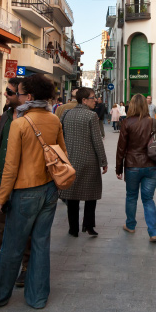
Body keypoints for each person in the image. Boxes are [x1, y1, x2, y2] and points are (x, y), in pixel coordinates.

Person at [0, 74, 63, 309]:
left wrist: (1, 198)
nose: (17, 96)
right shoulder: (54, 120)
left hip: (25, 191)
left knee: (12, 246)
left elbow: (11, 165)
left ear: (29, 97)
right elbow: (61, 154)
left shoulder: (20, 123)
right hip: (49, 190)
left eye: (20, 93)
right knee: (41, 245)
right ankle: (37, 297)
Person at [0, 78, 29, 286]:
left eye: (10, 93)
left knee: (24, 225)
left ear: (24, 96)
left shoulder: (31, 117)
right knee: (0, 222)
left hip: (23, 181)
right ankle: (3, 260)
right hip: (1, 178)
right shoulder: (5, 117)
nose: (6, 95)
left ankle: (26, 266)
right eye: (6, 91)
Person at [59, 88, 108, 237]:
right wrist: (103, 161)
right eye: (93, 98)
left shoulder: (66, 114)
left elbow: (61, 136)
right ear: (84, 100)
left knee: (72, 197)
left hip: (70, 161)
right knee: (91, 196)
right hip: (89, 162)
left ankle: (73, 229)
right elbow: (97, 141)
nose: (95, 100)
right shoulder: (91, 116)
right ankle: (88, 226)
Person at [117, 94, 156, 242]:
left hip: (133, 165)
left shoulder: (127, 122)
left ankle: (130, 225)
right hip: (152, 165)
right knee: (148, 198)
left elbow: (121, 148)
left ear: (132, 105)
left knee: (131, 196)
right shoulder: (154, 122)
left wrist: (118, 168)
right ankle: (153, 232)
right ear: (145, 105)